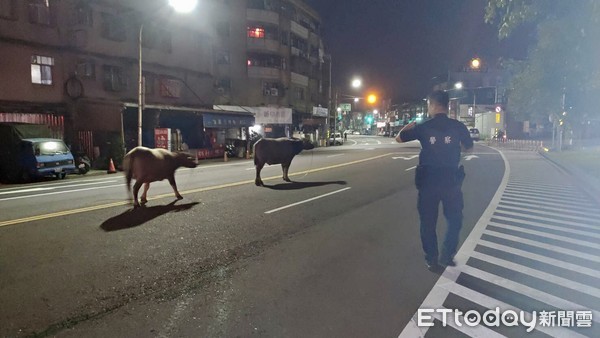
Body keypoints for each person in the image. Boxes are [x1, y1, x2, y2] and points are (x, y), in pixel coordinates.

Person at [395, 90, 473, 272]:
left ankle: (432, 259)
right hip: (451, 182)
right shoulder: (458, 127)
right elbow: (468, 147)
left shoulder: (424, 126)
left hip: (428, 182)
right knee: (455, 219)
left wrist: (408, 126)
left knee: (427, 222)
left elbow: (399, 138)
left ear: (432, 105)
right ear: (447, 106)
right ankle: (447, 253)